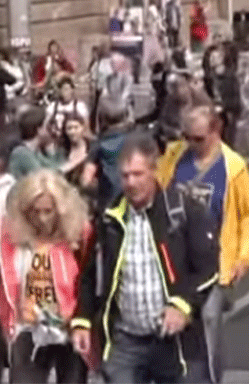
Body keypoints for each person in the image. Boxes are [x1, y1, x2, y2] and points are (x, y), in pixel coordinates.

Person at [70, 133, 219, 384]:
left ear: (154, 171)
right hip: (126, 341)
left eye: (138, 174)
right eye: (125, 175)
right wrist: (82, 320)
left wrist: (182, 305)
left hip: (173, 342)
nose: (130, 182)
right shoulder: (109, 218)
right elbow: (90, 274)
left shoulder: (183, 210)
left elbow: (208, 267)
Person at [156, 104, 249, 382]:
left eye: (198, 139)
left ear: (216, 132)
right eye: (187, 136)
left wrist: (245, 257)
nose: (191, 143)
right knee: (173, 323)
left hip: (215, 259)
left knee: (208, 323)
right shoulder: (174, 155)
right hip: (175, 255)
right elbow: (157, 193)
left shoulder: (234, 167)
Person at [1, 170, 91, 383]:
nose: (42, 219)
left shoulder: (78, 233)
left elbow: (89, 278)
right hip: (28, 326)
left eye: (48, 211)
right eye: (35, 212)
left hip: (69, 326)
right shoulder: (11, 235)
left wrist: (83, 320)